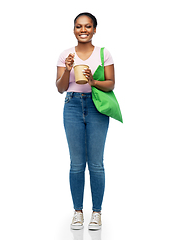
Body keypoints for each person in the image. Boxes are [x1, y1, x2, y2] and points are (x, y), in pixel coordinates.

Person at [56, 12, 115, 230]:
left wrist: (93, 81)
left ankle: (97, 212)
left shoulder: (103, 53)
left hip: (96, 106)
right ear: (74, 30)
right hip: (72, 105)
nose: (83, 30)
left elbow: (111, 84)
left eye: (88, 26)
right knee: (77, 164)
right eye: (79, 26)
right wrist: (68, 70)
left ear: (94, 29)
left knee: (96, 164)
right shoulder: (65, 55)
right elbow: (61, 88)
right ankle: (78, 212)